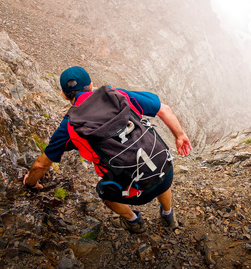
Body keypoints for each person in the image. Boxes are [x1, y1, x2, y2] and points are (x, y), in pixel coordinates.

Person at [23, 66, 192, 233]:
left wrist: (30, 183)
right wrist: (180, 136)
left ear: (64, 95)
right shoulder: (117, 95)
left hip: (136, 191)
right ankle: (168, 214)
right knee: (157, 163)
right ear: (90, 85)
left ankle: (134, 222)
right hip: (165, 172)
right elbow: (165, 110)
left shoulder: (70, 125)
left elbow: (41, 165)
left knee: (104, 191)